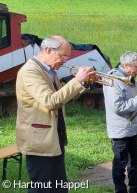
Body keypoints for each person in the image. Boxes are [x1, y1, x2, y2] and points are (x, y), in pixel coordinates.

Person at [15, 35, 95, 193]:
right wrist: (77, 81)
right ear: (49, 50)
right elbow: (50, 102)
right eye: (63, 56)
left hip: (53, 137)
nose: (65, 60)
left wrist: (85, 82)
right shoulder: (30, 71)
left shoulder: (49, 70)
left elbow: (62, 97)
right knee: (42, 188)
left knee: (59, 187)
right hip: (39, 141)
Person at [103, 51, 137, 193]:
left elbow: (136, 101)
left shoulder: (130, 78)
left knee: (134, 161)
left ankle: (136, 188)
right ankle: (120, 190)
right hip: (120, 130)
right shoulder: (113, 80)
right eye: (136, 67)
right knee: (120, 163)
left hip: (131, 127)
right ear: (126, 65)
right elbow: (118, 106)